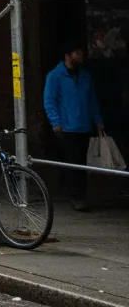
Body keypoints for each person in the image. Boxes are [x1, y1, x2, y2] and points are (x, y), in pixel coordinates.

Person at [43, 43, 105, 212]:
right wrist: (55, 123)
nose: (81, 56)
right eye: (77, 53)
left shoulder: (85, 77)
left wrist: (97, 120)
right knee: (73, 161)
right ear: (67, 56)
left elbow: (92, 100)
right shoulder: (55, 76)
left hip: (84, 126)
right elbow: (49, 100)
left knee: (82, 163)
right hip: (67, 127)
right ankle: (76, 196)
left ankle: (78, 193)